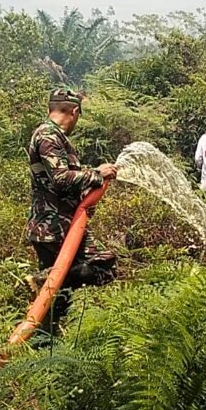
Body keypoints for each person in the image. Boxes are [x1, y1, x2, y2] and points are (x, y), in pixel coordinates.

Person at [26, 88, 118, 323]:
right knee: (101, 266)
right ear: (75, 111)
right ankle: (43, 279)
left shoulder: (53, 136)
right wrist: (97, 173)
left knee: (59, 300)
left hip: (64, 225)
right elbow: (60, 177)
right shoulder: (48, 136)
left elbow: (63, 183)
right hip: (54, 226)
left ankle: (50, 343)